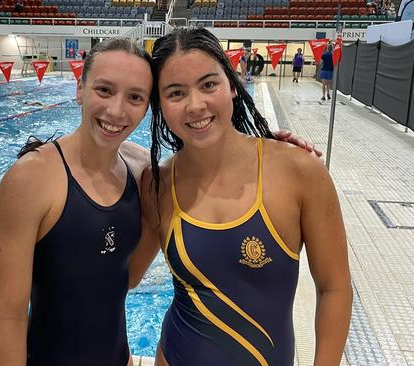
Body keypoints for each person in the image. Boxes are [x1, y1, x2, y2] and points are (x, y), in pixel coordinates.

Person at [0, 37, 320, 366]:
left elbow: (128, 277)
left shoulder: (141, 172)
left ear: (147, 106)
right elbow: (9, 319)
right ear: (80, 89)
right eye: (104, 90)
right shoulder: (31, 179)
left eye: (135, 97)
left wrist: (267, 149)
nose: (116, 110)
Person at [133, 27, 352, 365]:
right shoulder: (156, 183)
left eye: (209, 85)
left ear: (232, 84)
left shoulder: (297, 171)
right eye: (175, 93)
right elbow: (124, 278)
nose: (195, 105)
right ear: (159, 105)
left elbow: (334, 288)